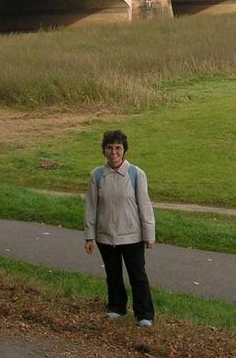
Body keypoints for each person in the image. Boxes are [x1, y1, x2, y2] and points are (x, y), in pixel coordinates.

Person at [84, 130, 156, 327]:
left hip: (132, 236)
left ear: (124, 150)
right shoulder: (97, 175)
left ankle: (145, 314)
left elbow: (145, 206)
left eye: (118, 148)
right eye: (109, 148)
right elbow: (91, 207)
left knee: (138, 276)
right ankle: (117, 307)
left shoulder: (136, 174)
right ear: (104, 151)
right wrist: (89, 236)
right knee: (113, 274)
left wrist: (150, 235)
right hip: (105, 237)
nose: (114, 152)